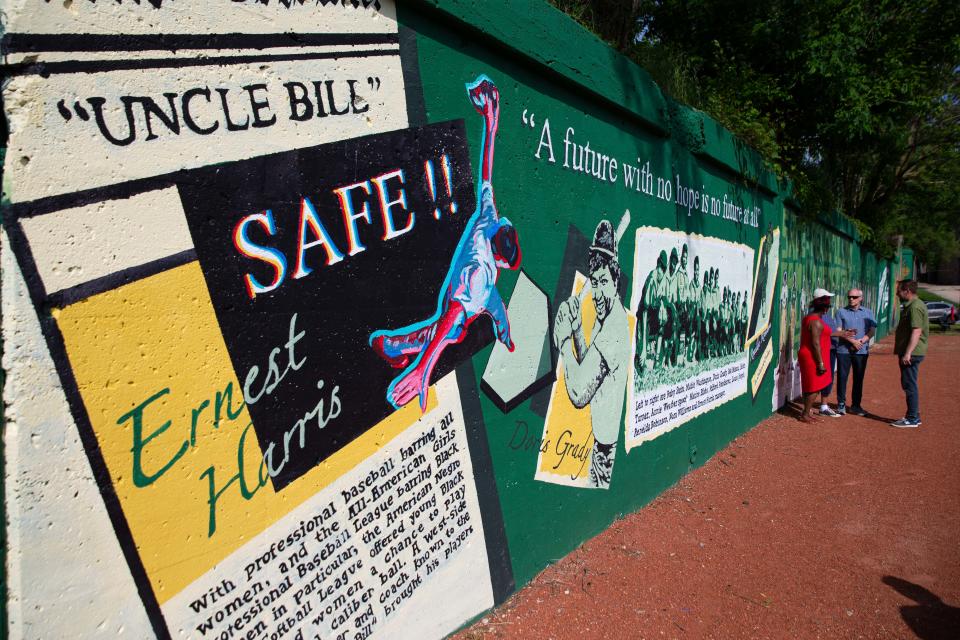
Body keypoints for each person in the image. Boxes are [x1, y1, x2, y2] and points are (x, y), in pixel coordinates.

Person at [370, 75, 521, 411]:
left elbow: (486, 172)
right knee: (450, 331)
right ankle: (391, 346)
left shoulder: (489, 219)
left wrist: (491, 124)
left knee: (453, 331)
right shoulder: (478, 272)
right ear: (498, 258)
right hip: (459, 313)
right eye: (504, 264)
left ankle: (391, 346)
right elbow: (455, 313)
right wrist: (423, 370)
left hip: (468, 309)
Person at [554, 217, 630, 488]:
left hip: (606, 454)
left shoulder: (615, 328)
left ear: (616, 280)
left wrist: (562, 341)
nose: (596, 293)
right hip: (601, 449)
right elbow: (590, 366)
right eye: (593, 282)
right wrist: (575, 330)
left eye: (603, 282)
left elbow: (578, 394)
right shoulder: (605, 315)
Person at [891, 280, 929, 427]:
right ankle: (914, 416)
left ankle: (912, 417)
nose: (897, 293)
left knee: (909, 384)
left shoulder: (915, 307)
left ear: (907, 290)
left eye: (899, 290)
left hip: (912, 353)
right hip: (911, 351)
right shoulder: (912, 306)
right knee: (908, 383)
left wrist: (908, 353)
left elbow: (917, 330)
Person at [835, 288, 876, 416]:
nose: (851, 299)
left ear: (860, 298)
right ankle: (841, 404)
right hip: (844, 350)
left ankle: (856, 405)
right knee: (842, 377)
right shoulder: (841, 312)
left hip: (861, 351)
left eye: (854, 297)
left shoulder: (868, 312)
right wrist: (853, 342)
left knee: (859, 378)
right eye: (849, 297)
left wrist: (861, 341)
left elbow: (871, 330)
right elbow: (838, 330)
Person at [797, 288, 835, 423]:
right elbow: (815, 344)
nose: (828, 309)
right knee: (815, 386)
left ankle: (806, 412)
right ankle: (805, 414)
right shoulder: (816, 321)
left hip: (812, 355)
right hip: (814, 357)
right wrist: (820, 363)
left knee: (812, 385)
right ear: (823, 308)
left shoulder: (810, 318)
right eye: (828, 306)